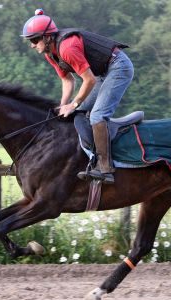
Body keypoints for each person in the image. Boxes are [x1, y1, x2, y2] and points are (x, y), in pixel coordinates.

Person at [21, 9, 134, 184]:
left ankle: (105, 169)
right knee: (78, 113)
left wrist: (73, 104)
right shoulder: (51, 53)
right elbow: (67, 80)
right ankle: (91, 158)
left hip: (119, 67)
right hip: (101, 74)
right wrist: (63, 105)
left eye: (34, 40)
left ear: (47, 37)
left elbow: (88, 80)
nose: (32, 45)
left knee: (97, 115)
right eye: (30, 41)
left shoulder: (67, 48)